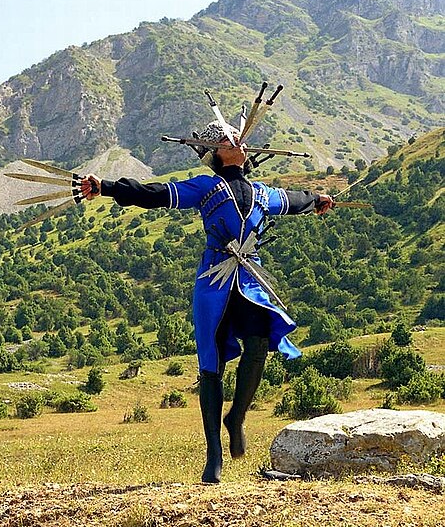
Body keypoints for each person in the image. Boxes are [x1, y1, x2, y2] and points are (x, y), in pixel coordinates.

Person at [81, 121, 334, 484]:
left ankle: (238, 416)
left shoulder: (263, 193)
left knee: (259, 343)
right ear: (216, 152)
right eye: (229, 140)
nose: (239, 143)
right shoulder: (205, 187)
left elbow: (294, 200)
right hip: (214, 280)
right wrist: (105, 187)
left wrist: (317, 200)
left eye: (239, 139)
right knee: (211, 364)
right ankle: (213, 452)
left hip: (251, 279)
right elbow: (154, 194)